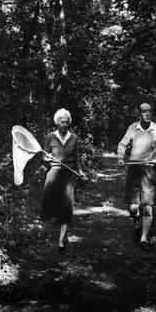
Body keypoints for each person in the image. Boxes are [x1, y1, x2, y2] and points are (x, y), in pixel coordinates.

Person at [117, 102, 156, 251]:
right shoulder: (133, 128)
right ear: (140, 114)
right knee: (133, 207)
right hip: (134, 168)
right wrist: (120, 157)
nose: (147, 113)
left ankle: (144, 238)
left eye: (150, 111)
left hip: (149, 169)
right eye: (144, 111)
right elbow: (122, 144)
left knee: (148, 206)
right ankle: (137, 222)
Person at [40, 108, 87, 254]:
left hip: (69, 176)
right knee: (51, 205)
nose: (65, 125)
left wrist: (80, 172)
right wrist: (46, 158)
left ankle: (61, 242)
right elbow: (44, 155)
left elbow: (77, 159)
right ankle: (58, 231)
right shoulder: (50, 137)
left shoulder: (74, 138)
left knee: (66, 207)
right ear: (57, 122)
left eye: (67, 122)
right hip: (54, 175)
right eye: (62, 122)